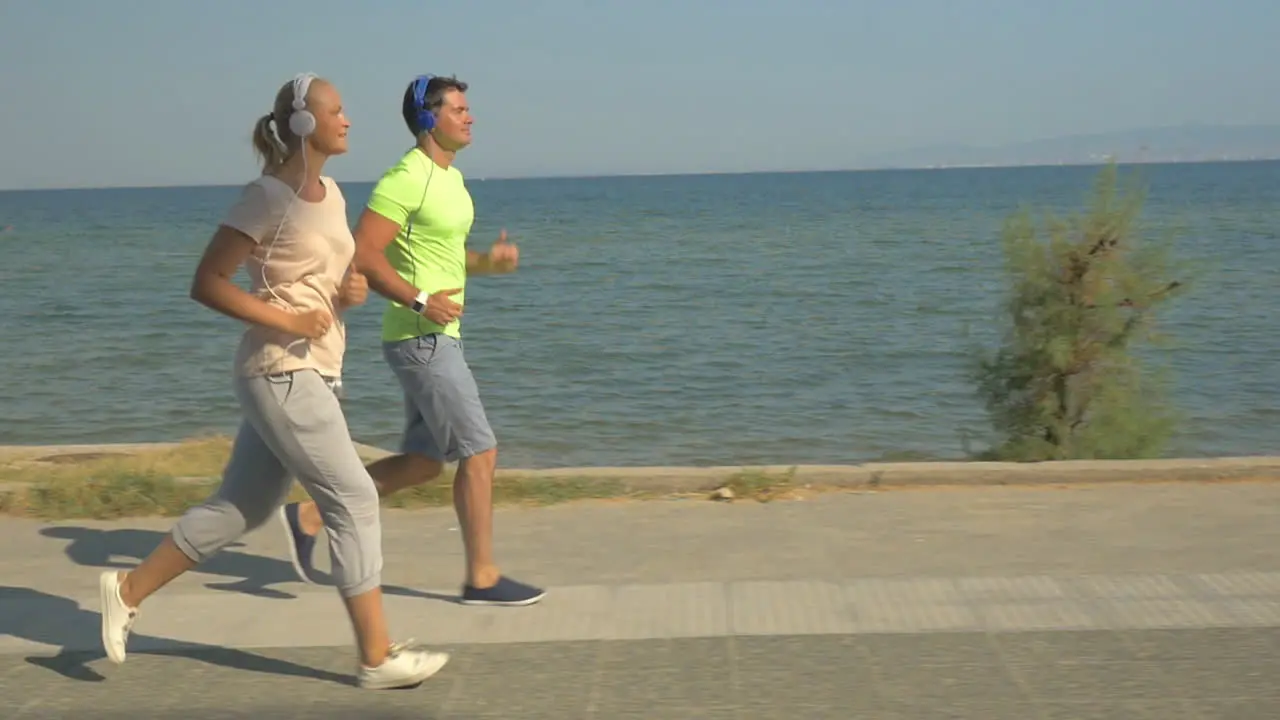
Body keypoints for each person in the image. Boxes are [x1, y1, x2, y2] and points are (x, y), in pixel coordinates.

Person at [96, 73, 449, 690]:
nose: (348, 120)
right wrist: (287, 318)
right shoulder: (264, 197)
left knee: (244, 508)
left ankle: (125, 590)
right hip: (281, 370)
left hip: (311, 366)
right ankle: (376, 656)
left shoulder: (331, 194)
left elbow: (324, 278)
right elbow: (208, 282)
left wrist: (348, 292)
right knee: (355, 499)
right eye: (337, 111)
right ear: (305, 124)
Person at [278, 73, 544, 607]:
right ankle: (482, 578)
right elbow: (366, 255)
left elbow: (441, 258)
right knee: (481, 451)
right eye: (458, 109)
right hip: (422, 338)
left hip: (436, 335)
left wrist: (485, 264)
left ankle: (308, 517)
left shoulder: (451, 180)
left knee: (424, 463)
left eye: (469, 109)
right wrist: (420, 301)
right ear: (428, 118)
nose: (470, 117)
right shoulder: (406, 178)